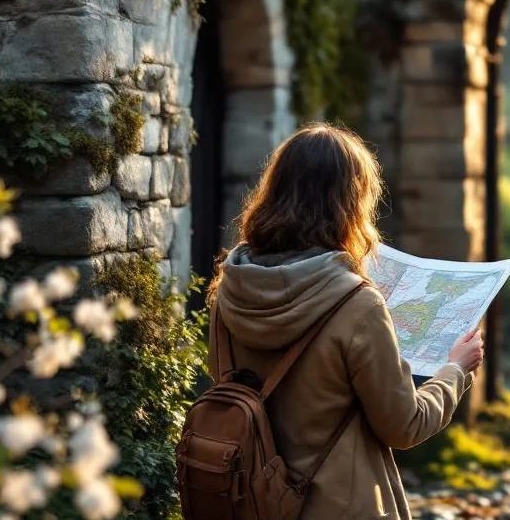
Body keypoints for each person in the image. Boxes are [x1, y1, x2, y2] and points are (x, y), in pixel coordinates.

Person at [206, 123, 485, 520]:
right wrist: (456, 370)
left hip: (250, 501)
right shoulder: (357, 305)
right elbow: (405, 425)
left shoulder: (230, 287)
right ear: (351, 204)